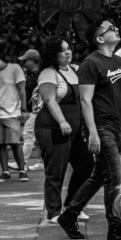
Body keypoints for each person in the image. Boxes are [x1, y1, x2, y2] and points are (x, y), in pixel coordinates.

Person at [56, 18, 121, 240]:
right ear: (99, 38)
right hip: (100, 126)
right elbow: (85, 101)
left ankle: (69, 214)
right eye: (110, 29)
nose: (116, 30)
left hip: (115, 127)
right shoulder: (90, 64)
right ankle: (115, 228)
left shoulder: (118, 61)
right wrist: (93, 133)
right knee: (115, 177)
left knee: (99, 176)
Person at [35, 36, 94, 224]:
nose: (67, 52)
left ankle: (72, 204)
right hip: (52, 128)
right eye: (62, 50)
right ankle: (53, 213)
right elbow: (49, 100)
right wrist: (61, 121)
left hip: (75, 131)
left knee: (86, 165)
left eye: (68, 48)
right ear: (53, 54)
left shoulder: (76, 70)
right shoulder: (48, 73)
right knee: (55, 171)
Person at [0, 47, 28, 182]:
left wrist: (24, 109)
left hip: (12, 112)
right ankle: (5, 172)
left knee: (15, 143)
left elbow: (22, 89)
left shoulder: (15, 68)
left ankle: (22, 170)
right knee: (0, 144)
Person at [15, 48, 44, 174]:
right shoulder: (30, 75)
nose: (24, 63)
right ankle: (41, 162)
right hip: (33, 110)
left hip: (35, 110)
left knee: (28, 135)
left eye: (26, 61)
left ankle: (21, 162)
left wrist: (30, 109)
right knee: (37, 138)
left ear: (32, 61)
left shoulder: (39, 75)